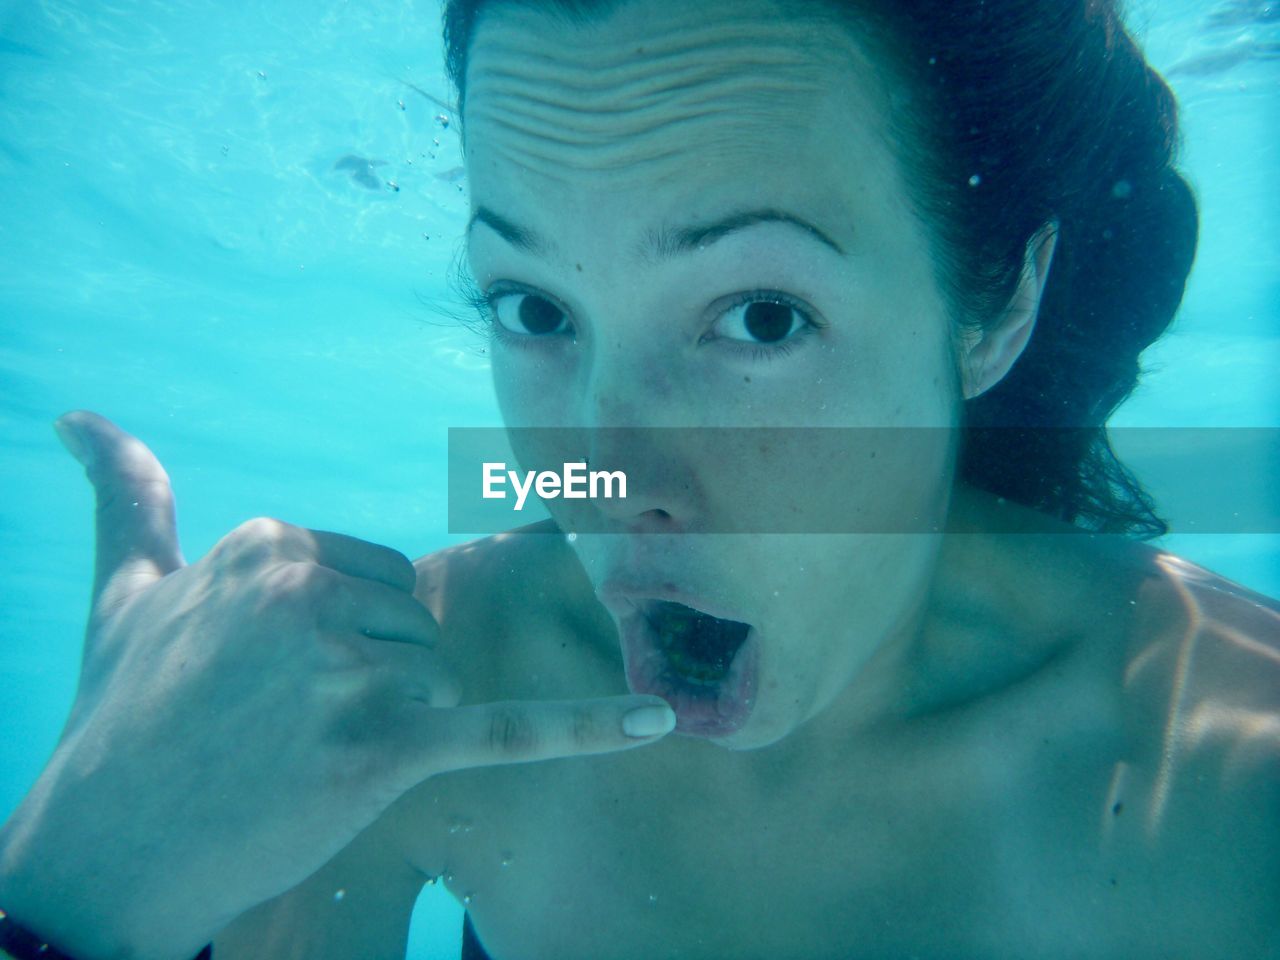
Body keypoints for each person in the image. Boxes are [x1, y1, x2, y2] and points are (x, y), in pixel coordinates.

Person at [1, 0, 1277, 957]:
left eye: (762, 318)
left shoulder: (1234, 778)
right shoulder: (406, 711)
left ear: (992, 310)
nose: (605, 477)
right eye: (534, 306)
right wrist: (74, 882)